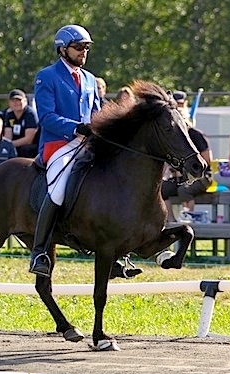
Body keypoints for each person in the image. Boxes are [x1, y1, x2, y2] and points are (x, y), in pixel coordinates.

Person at [29, 24, 141, 280]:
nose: (83, 52)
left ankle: (118, 253)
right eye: (79, 47)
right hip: (59, 145)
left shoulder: (90, 79)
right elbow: (46, 117)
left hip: (88, 143)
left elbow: (99, 112)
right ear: (62, 49)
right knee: (58, 190)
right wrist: (77, 128)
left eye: (86, 48)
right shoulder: (47, 76)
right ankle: (39, 252)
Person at [162, 127, 213, 222]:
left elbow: (207, 161)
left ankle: (189, 219)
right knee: (162, 188)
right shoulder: (173, 137)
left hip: (201, 175)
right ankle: (171, 221)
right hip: (180, 177)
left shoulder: (195, 135)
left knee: (184, 190)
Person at [2, 89, 39, 158]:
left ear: (25, 101)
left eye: (19, 100)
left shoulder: (30, 114)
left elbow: (28, 140)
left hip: (31, 146)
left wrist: (10, 145)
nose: (16, 103)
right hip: (15, 145)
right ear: (9, 103)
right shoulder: (9, 114)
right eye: (13, 101)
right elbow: (8, 136)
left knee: (25, 149)